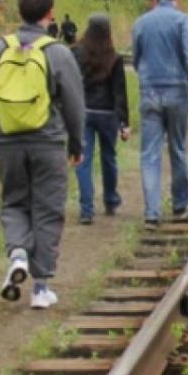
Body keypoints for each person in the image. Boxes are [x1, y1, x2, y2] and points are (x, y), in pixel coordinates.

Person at [0, 0, 85, 310]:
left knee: (14, 203)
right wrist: (76, 144)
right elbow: (75, 104)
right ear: (49, 13)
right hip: (47, 141)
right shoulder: (58, 52)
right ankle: (40, 288)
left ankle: (18, 254)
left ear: (19, 12)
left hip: (7, 142)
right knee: (48, 209)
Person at [131, 0, 188, 226]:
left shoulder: (141, 22)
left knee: (150, 153)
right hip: (177, 91)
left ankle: (152, 212)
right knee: (178, 149)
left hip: (150, 91)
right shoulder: (183, 20)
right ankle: (180, 204)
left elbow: (135, 58)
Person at [73, 14, 131, 224]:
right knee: (109, 158)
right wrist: (124, 122)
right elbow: (119, 91)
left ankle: (86, 209)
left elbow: (72, 85)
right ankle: (110, 199)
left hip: (84, 112)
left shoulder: (77, 53)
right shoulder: (114, 57)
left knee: (83, 160)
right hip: (107, 114)